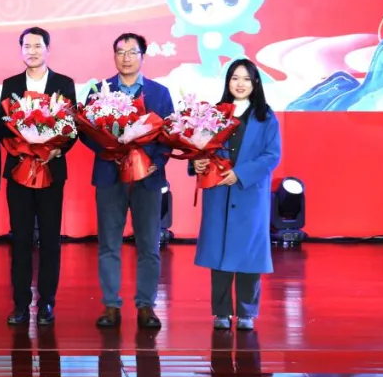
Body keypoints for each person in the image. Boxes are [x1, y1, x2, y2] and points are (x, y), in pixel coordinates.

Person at [81, 33, 174, 329]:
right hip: (110, 176)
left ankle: (146, 306)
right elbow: (86, 131)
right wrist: (110, 150)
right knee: (109, 244)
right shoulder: (99, 91)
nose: (126, 58)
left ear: (143, 56)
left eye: (132, 52)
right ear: (114, 56)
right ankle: (111, 306)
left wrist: (153, 163)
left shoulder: (159, 93)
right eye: (120, 52)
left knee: (149, 245)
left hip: (147, 178)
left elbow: (169, 135)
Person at [192, 58, 282, 331]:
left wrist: (241, 174)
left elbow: (272, 155)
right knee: (218, 254)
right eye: (234, 78)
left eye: (246, 78)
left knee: (249, 255)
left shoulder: (266, 116)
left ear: (255, 83)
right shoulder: (214, 113)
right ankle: (221, 312)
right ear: (227, 82)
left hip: (249, 194)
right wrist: (196, 163)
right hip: (218, 192)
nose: (240, 84)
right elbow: (198, 147)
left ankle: (246, 312)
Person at [0, 27, 77, 326]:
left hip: (51, 171)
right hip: (19, 170)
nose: (31, 51)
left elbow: (72, 127)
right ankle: (20, 303)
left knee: (49, 238)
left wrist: (56, 150)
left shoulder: (63, 84)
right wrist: (21, 148)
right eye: (26, 46)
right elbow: (3, 126)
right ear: (20, 50)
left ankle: (46, 302)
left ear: (47, 49)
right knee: (20, 238)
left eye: (37, 46)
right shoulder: (11, 84)